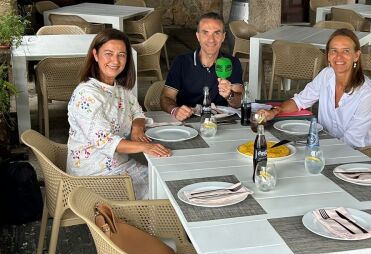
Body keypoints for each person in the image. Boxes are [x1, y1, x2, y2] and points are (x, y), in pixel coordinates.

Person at [66, 29, 171, 200]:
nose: (115, 60)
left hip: (121, 166)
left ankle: (154, 223)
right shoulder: (86, 95)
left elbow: (137, 111)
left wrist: (137, 128)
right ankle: (151, 223)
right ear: (95, 55)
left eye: (121, 55)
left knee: (166, 181)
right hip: (93, 176)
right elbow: (104, 141)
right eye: (108, 53)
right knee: (164, 191)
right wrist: (146, 147)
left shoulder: (119, 89)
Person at [258, 28, 371, 148]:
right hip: (324, 146)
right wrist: (273, 112)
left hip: (360, 156)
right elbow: (299, 101)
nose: (339, 57)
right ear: (327, 55)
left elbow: (351, 142)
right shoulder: (326, 75)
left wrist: (308, 147)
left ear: (356, 56)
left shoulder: (368, 95)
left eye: (346, 51)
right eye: (334, 51)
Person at [160, 12, 244, 121]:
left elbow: (238, 103)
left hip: (220, 122)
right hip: (187, 121)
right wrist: (175, 110)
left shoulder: (232, 63)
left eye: (217, 33)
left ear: (223, 37)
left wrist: (229, 95)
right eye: (205, 33)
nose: (211, 39)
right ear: (198, 36)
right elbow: (166, 98)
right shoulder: (181, 62)